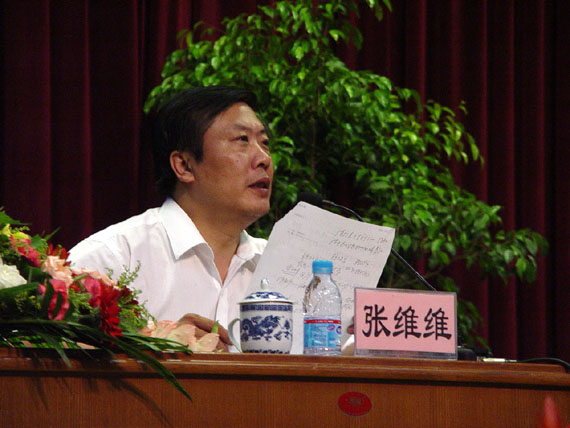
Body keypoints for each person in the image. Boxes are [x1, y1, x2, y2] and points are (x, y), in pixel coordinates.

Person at [69, 86, 273, 350]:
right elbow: (41, 352)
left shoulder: (279, 266)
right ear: (184, 166)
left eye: (264, 143)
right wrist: (157, 345)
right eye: (242, 140)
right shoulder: (112, 259)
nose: (264, 159)